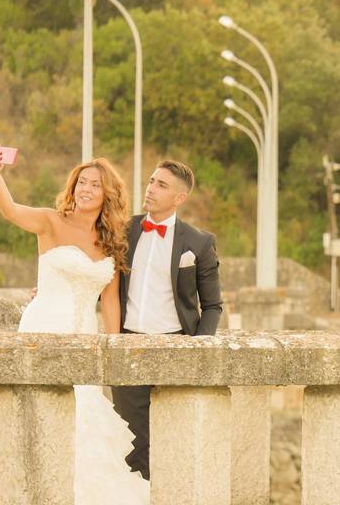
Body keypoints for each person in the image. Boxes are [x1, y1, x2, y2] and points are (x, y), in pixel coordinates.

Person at [0, 143, 148, 505]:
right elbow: (10, 211)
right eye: (81, 182)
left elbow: (110, 301)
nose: (85, 189)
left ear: (108, 194)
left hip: (85, 339)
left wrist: (114, 347)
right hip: (43, 325)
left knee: (85, 418)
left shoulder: (111, 242)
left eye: (94, 184)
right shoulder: (51, 221)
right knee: (42, 413)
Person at [111, 159, 223, 480]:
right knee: (131, 447)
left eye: (161, 185)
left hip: (176, 347)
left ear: (179, 198)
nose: (150, 189)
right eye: (150, 181)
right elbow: (100, 281)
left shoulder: (198, 243)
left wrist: (198, 352)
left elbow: (213, 305)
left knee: (176, 443)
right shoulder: (125, 230)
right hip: (128, 347)